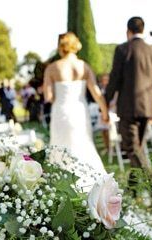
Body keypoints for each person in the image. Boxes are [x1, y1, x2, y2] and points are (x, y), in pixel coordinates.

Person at [105, 17, 152, 202]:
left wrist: (105, 103)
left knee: (133, 150)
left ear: (128, 30)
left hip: (128, 109)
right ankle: (132, 191)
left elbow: (114, 78)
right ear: (143, 29)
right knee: (137, 150)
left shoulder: (123, 49)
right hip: (147, 109)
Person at [44, 32, 109, 181]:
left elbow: (48, 97)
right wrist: (104, 113)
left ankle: (63, 185)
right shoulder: (84, 66)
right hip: (79, 112)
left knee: (60, 148)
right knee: (84, 145)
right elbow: (97, 93)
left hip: (61, 112)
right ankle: (93, 183)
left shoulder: (52, 68)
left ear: (61, 47)